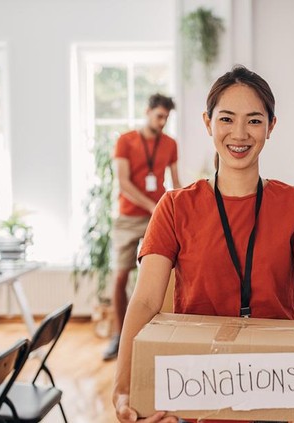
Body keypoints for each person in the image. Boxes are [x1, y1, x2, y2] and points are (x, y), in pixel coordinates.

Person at [113, 66, 294, 423]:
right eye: (226, 119)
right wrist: (123, 384)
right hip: (192, 391)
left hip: (277, 389)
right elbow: (144, 300)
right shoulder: (174, 206)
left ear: (270, 126)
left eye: (253, 121)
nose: (239, 134)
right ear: (208, 124)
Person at [103, 94, 181, 361]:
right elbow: (123, 183)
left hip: (156, 215)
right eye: (159, 116)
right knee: (120, 276)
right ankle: (118, 335)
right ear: (147, 112)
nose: (162, 122)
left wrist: (180, 208)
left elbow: (176, 182)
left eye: (166, 118)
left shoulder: (170, 144)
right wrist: (151, 205)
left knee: (159, 277)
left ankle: (152, 335)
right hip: (129, 216)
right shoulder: (126, 141)